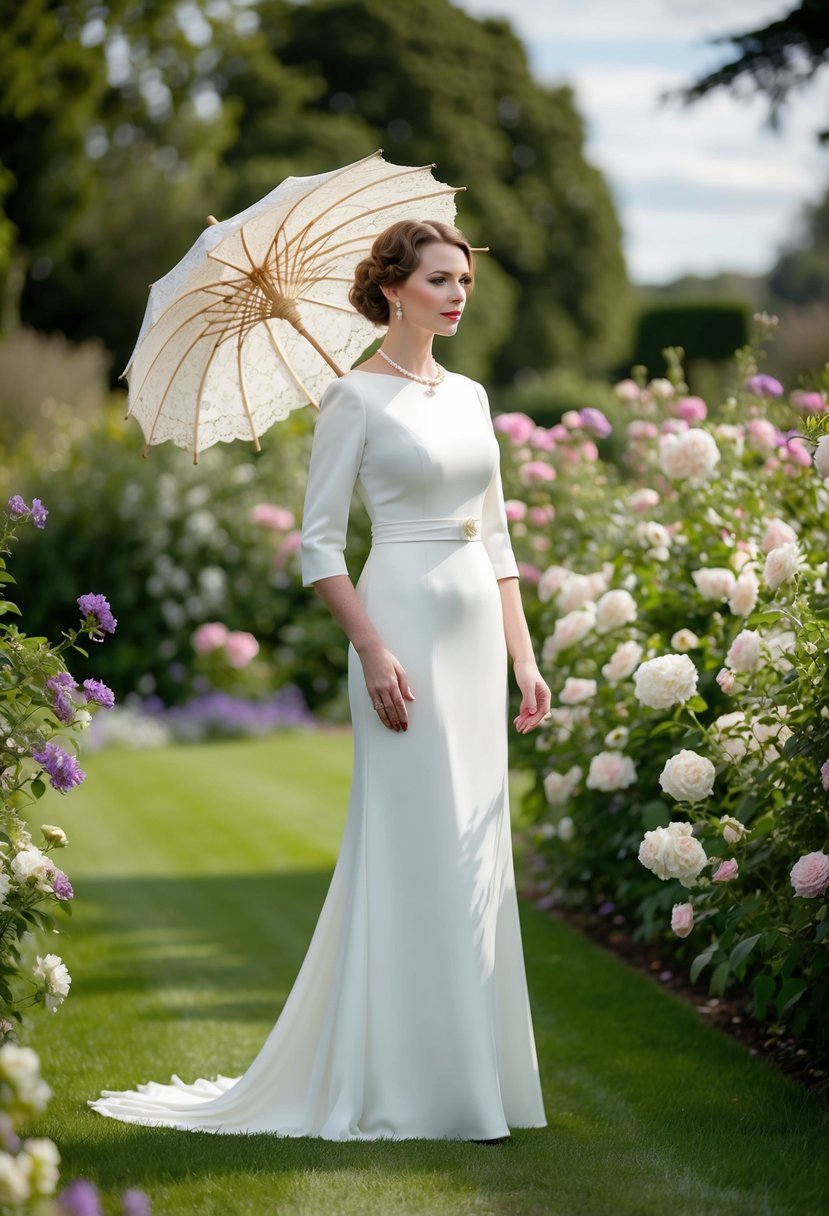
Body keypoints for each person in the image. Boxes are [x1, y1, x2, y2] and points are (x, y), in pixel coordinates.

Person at [88, 218, 551, 1142]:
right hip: (401, 631)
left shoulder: (469, 394)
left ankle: (476, 1078)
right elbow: (318, 547)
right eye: (438, 280)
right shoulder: (352, 401)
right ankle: (415, 1086)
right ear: (392, 290)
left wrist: (524, 655)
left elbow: (495, 538)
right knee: (410, 846)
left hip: (472, 646)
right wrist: (373, 649)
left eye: (463, 278)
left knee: (472, 848)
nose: (457, 293)